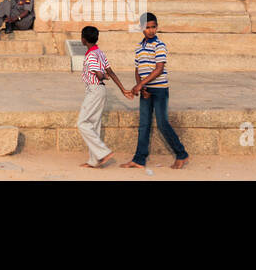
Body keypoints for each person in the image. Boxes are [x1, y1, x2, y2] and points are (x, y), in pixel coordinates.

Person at [122, 12, 191, 171]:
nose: (151, 30)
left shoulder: (160, 45)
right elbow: (138, 69)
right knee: (144, 125)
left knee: (162, 123)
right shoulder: (139, 47)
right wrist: (141, 86)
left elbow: (159, 69)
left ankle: (181, 154)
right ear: (141, 28)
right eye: (147, 27)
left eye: (153, 27)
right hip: (147, 90)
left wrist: (140, 86)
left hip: (159, 90)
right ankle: (139, 159)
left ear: (157, 27)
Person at [78, 25, 133, 168]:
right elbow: (111, 71)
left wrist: (104, 76)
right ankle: (94, 160)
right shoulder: (100, 52)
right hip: (99, 90)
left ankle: (103, 152)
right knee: (94, 124)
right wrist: (122, 89)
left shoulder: (91, 55)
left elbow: (100, 74)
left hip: (95, 89)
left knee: (82, 123)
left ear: (83, 40)